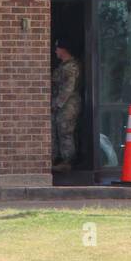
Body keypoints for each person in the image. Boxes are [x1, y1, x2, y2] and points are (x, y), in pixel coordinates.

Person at [51, 41, 82, 171]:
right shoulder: (63, 66)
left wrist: (57, 104)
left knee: (65, 131)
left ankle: (67, 161)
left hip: (68, 105)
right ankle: (57, 158)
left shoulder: (71, 67)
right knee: (58, 130)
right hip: (61, 105)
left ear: (64, 50)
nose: (55, 51)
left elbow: (68, 89)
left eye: (57, 48)